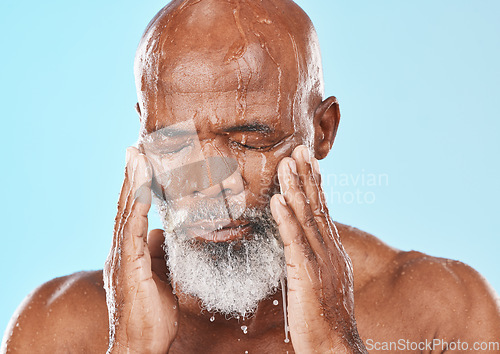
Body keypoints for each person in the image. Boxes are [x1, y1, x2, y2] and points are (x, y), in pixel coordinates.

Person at [2, 0, 499, 353]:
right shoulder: (57, 332)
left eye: (250, 139)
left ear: (322, 131)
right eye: (175, 141)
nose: (211, 186)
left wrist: (335, 348)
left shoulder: (443, 316)